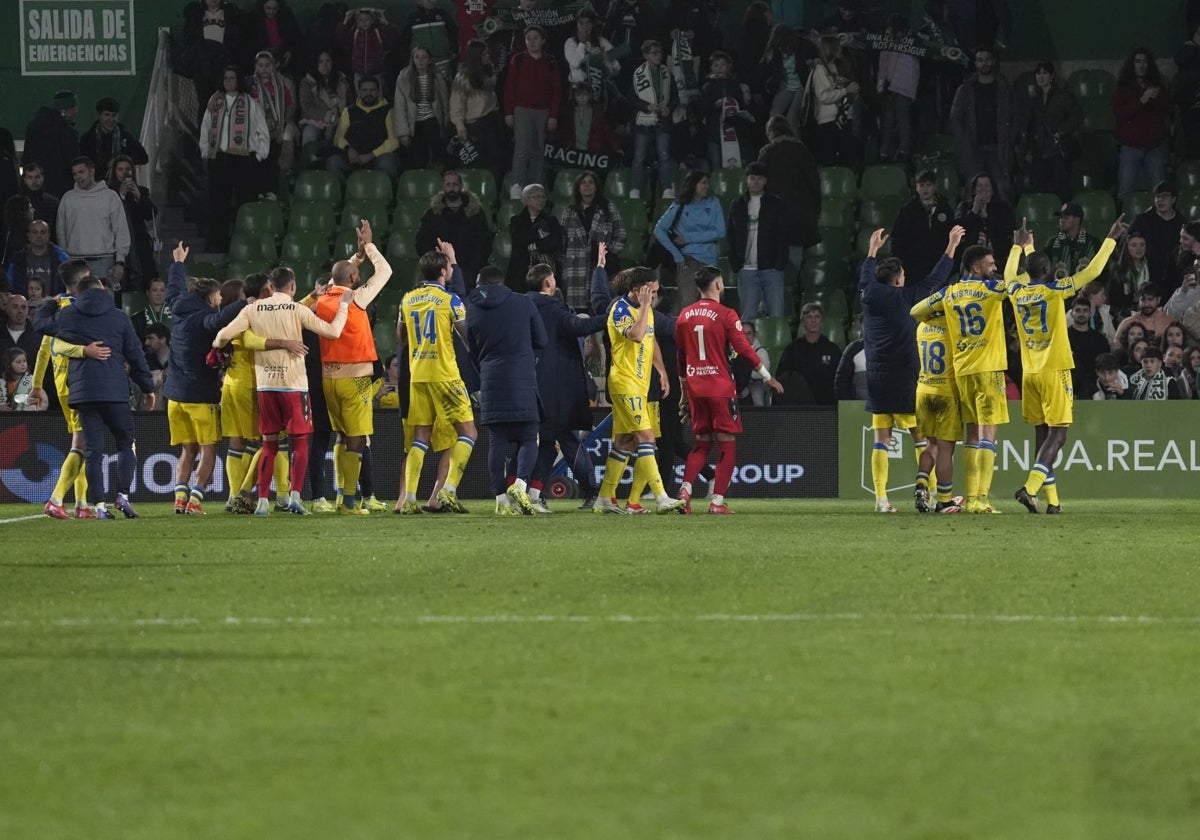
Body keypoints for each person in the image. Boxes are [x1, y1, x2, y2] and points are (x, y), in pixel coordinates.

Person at [213, 265, 352, 516]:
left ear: (270, 287)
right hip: (294, 386)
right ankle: (294, 498)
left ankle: (263, 502)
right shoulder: (296, 309)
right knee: (299, 443)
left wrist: (222, 350)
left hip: (266, 386)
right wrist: (343, 306)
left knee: (269, 445)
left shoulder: (252, 309)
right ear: (292, 286)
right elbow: (333, 331)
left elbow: (221, 336)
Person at [1006, 217, 1122, 515]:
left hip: (1029, 372)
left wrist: (1020, 247)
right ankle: (1030, 488)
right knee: (1059, 434)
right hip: (1055, 370)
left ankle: (1052, 501)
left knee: (1042, 435)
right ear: (1047, 271)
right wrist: (1110, 238)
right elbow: (1094, 271)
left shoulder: (1016, 291)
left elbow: (1010, 273)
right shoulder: (1055, 290)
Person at [860, 225, 964, 513]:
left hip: (876, 378)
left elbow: (865, 274)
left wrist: (872, 250)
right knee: (923, 438)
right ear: (897, 280)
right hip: (905, 377)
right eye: (903, 275)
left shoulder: (868, 293)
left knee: (881, 440)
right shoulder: (905, 298)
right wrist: (951, 246)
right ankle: (931, 493)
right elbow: (935, 280)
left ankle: (881, 500)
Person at [36, 273, 157, 519]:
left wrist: (51, 301)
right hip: (114, 391)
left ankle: (99, 506)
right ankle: (122, 496)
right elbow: (135, 355)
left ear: (78, 293)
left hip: (84, 393)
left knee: (93, 450)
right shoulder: (119, 317)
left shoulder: (69, 315)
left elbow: (40, 324)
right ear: (102, 291)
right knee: (126, 443)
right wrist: (147, 387)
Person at [675, 264, 783, 514]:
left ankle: (685, 490)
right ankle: (717, 502)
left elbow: (681, 355)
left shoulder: (684, 315)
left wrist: (683, 389)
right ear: (718, 285)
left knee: (701, 444)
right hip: (720, 388)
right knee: (727, 445)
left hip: (695, 387)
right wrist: (767, 376)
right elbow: (744, 348)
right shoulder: (726, 314)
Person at [910, 243, 1008, 514]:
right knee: (984, 435)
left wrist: (941, 313)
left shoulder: (948, 295)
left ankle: (927, 484)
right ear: (977, 267)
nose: (994, 267)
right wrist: (1022, 249)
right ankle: (978, 499)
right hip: (986, 369)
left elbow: (916, 311)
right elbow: (1014, 283)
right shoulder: (990, 288)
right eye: (990, 264)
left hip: (954, 375)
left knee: (969, 436)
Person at [307, 220, 393, 514]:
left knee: (342, 436)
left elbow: (336, 278)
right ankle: (347, 501)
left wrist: (354, 258)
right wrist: (368, 246)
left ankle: (341, 497)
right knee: (357, 438)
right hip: (355, 378)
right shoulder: (355, 298)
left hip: (329, 378)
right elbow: (385, 271)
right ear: (355, 278)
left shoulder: (320, 300)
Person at [163, 242, 251, 515]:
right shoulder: (205, 319)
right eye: (217, 296)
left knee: (187, 451)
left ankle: (179, 499)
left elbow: (174, 287)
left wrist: (178, 263)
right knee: (208, 449)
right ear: (209, 298)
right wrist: (246, 303)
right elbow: (221, 319)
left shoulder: (178, 307)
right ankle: (196, 500)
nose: (219, 300)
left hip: (174, 399)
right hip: (201, 398)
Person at [594, 266, 685, 514]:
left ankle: (604, 498)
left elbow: (650, 338)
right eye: (651, 291)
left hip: (641, 383)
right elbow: (635, 335)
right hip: (625, 383)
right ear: (638, 290)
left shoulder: (648, 312)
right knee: (647, 438)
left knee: (625, 442)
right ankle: (660, 496)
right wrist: (644, 307)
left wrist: (662, 371)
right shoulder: (620, 309)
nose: (654, 296)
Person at [527, 252, 612, 511]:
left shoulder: (520, 304)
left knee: (545, 439)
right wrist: (610, 318)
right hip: (557, 386)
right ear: (548, 284)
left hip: (528, 381)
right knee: (561, 438)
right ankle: (537, 491)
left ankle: (527, 490)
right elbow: (577, 326)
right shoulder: (552, 307)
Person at [396, 247, 478, 515]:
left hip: (418, 375)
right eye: (450, 268)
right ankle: (448, 491)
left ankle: (408, 498)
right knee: (468, 432)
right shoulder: (450, 300)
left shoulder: (407, 299)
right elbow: (468, 339)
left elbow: (401, 337)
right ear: (443, 272)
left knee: (420, 437)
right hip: (445, 374)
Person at [466, 265, 547, 515]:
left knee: (497, 441)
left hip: (491, 377)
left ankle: (501, 500)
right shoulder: (523, 303)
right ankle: (520, 484)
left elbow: (472, 348)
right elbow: (542, 339)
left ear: (481, 283)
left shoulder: (473, 308)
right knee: (528, 437)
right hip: (522, 375)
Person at [29, 260, 104, 518]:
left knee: (85, 439)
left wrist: (37, 385)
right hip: (79, 381)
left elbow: (43, 351)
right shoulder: (79, 309)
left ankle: (82, 504)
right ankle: (57, 498)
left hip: (62, 382)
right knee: (82, 442)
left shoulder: (57, 307)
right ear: (82, 278)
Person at [200, 67, 270, 253]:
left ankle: (247, 245)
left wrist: (259, 155)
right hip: (219, 158)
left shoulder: (250, 103)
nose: (229, 81)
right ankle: (217, 244)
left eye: (232, 78)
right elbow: (206, 127)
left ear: (238, 80)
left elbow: (262, 130)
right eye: (225, 78)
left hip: (243, 160)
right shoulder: (215, 103)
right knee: (218, 204)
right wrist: (205, 152)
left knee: (245, 203)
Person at [503, 26, 562, 199]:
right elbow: (509, 87)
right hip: (522, 110)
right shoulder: (518, 60)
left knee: (537, 150)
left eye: (536, 38)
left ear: (543, 40)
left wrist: (553, 115)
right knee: (522, 148)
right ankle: (517, 185)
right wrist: (508, 112)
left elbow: (556, 90)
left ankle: (535, 188)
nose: (532, 42)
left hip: (543, 111)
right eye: (529, 38)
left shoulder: (550, 61)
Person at [652, 170, 726, 308]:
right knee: (688, 305)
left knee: (712, 306)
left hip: (710, 262)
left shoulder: (714, 203)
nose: (707, 186)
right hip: (687, 261)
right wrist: (677, 255)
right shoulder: (680, 205)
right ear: (693, 184)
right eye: (703, 183)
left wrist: (689, 238)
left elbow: (720, 232)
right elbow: (659, 230)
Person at [756, 116, 820, 273]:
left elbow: (758, 186)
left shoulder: (767, 152)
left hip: (775, 219)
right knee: (794, 264)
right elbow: (815, 185)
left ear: (771, 132)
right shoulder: (803, 151)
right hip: (800, 218)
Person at [56, 157, 131, 288]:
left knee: (102, 305)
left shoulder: (110, 197)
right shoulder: (67, 198)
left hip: (104, 261)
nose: (78, 177)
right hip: (75, 261)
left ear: (92, 171)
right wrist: (65, 260)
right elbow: (61, 232)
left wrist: (120, 261)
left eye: (81, 172)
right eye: (74, 174)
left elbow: (120, 230)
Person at [728, 162, 789, 320]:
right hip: (746, 269)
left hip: (771, 269)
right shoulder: (737, 205)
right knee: (747, 317)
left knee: (776, 316)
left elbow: (783, 235)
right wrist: (736, 263)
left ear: (765, 181)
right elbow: (731, 235)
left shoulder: (776, 204)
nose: (755, 182)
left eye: (759, 179)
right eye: (752, 178)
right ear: (747, 180)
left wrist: (778, 264)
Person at [416, 170, 493, 294]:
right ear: (443, 187)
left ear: (461, 187)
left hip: (469, 272)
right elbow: (422, 241)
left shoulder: (475, 213)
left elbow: (484, 243)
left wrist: (472, 268)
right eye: (448, 184)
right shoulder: (433, 213)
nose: (451, 188)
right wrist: (435, 264)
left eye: (455, 184)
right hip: (438, 272)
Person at [949, 45, 1012, 196]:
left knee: (1002, 189)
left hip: (998, 148)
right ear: (976, 63)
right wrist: (965, 145)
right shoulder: (965, 90)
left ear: (994, 61)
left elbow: (1014, 117)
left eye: (988, 60)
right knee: (973, 191)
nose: (984, 63)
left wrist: (1010, 139)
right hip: (973, 148)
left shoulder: (1004, 88)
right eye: (980, 60)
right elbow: (955, 119)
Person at [559, 171, 627, 313]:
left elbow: (621, 234)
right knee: (577, 315)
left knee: (600, 309)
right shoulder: (568, 212)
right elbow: (562, 242)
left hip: (599, 266)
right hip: (575, 269)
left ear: (596, 187)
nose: (587, 186)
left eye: (591, 182)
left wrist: (608, 251)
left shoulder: (609, 208)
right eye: (583, 183)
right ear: (578, 187)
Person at [1022, 62, 1083, 203]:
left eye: (1045, 73)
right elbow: (1031, 127)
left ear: (1052, 76)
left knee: (1061, 189)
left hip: (1057, 149)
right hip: (1040, 150)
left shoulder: (1062, 96)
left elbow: (1077, 115)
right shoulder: (1035, 100)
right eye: (1038, 73)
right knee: (1038, 188)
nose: (1041, 77)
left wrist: (1061, 131)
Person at [1114, 47, 1169, 199]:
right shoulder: (1123, 89)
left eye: (1145, 62)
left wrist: (1156, 98)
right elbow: (1120, 114)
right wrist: (1142, 100)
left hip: (1154, 147)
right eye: (1138, 61)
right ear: (1132, 65)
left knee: (1161, 192)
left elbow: (1165, 111)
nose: (1142, 65)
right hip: (1131, 147)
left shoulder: (1158, 87)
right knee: (1125, 191)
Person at [629, 39, 678, 201]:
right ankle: (635, 189)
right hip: (643, 121)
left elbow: (675, 97)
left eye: (660, 53)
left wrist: (669, 107)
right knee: (639, 156)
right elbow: (630, 99)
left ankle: (667, 188)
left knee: (664, 155)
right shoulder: (638, 74)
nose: (658, 56)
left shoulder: (667, 73)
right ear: (645, 55)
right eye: (654, 53)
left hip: (662, 121)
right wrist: (646, 106)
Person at [449, 39, 504, 181]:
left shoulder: (488, 72)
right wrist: (460, 126)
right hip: (474, 126)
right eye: (484, 54)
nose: (488, 56)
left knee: (496, 161)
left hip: (491, 121)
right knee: (477, 163)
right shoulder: (462, 78)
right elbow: (456, 104)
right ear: (476, 56)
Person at [181, 0, 243, 123]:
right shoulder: (196, 15)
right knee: (205, 103)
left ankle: (224, 136)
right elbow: (189, 39)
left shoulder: (230, 15)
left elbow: (236, 39)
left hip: (223, 64)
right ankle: (204, 138)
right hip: (202, 65)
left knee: (226, 101)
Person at [327, 77, 401, 179]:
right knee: (333, 161)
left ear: (379, 91)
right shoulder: (348, 111)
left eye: (372, 90)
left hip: (378, 157)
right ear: (359, 92)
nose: (368, 93)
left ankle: (387, 191)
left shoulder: (388, 110)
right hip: (354, 157)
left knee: (387, 162)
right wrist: (349, 149)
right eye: (364, 90)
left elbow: (394, 141)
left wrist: (370, 155)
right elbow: (338, 138)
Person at [247, 50, 298, 193]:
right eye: (260, 65)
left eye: (267, 65)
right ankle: (257, 192)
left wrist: (281, 123)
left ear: (274, 66)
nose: (264, 69)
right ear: (255, 66)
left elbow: (289, 106)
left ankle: (272, 192)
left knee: (272, 164)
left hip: (275, 131)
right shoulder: (248, 84)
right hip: (255, 131)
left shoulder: (281, 86)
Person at [892, 170, 955, 286]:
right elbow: (898, 239)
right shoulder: (908, 211)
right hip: (914, 268)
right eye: (921, 185)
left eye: (928, 185)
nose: (925, 189)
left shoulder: (945, 208)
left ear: (935, 187)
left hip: (940, 265)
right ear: (916, 188)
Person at [105, 155, 159, 291]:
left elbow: (151, 214)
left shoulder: (141, 191)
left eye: (127, 169)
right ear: (114, 172)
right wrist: (121, 196)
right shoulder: (108, 193)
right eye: (120, 169)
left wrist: (139, 197)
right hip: (118, 244)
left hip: (139, 243)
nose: (124, 173)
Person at [393, 46, 450, 170]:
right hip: (414, 123)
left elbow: (444, 100)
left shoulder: (436, 77)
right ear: (412, 59)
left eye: (424, 57)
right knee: (419, 158)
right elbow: (399, 106)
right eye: (417, 57)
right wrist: (403, 133)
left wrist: (446, 120)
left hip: (432, 119)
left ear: (429, 60)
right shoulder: (404, 78)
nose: (420, 60)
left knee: (438, 155)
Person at [809, 35, 860, 167]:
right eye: (838, 47)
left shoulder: (836, 67)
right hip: (828, 121)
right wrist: (845, 90)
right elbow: (823, 96)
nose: (841, 49)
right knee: (829, 159)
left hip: (843, 118)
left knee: (847, 157)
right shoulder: (820, 70)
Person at [876, 15, 920, 164]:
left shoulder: (911, 47)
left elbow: (911, 72)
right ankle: (885, 152)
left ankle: (903, 151)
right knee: (887, 121)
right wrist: (881, 86)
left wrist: (902, 87)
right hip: (887, 88)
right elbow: (882, 67)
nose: (889, 35)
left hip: (902, 89)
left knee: (903, 121)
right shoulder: (885, 46)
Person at [22, 90, 80, 200]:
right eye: (74, 108)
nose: (76, 112)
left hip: (36, 191)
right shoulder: (67, 132)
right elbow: (73, 162)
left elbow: (26, 159)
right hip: (63, 191)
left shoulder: (33, 128)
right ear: (67, 110)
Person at [699, 51, 750, 171]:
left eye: (723, 64)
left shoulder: (735, 85)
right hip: (714, 133)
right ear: (711, 68)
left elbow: (742, 106)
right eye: (716, 65)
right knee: (716, 166)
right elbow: (702, 110)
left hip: (733, 133)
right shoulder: (707, 87)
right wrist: (716, 105)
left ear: (728, 66)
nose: (720, 68)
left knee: (734, 165)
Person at [506, 184, 565, 290]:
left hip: (545, 270)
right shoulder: (516, 221)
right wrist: (539, 236)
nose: (541, 200)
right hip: (520, 270)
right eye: (536, 197)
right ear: (527, 200)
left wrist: (535, 243)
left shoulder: (551, 221)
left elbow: (554, 243)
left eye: (543, 197)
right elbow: (521, 240)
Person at [78, 98, 149, 179]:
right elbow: (82, 165)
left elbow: (143, 158)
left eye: (114, 115)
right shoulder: (88, 139)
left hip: (118, 186)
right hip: (95, 186)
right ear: (99, 116)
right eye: (107, 115)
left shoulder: (125, 137)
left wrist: (119, 161)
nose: (111, 120)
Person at [955, 172, 1015, 265]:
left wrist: (987, 218)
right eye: (979, 186)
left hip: (997, 258)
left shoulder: (1003, 207)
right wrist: (974, 211)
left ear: (993, 190)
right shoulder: (964, 207)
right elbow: (960, 231)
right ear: (974, 190)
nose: (983, 189)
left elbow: (1007, 230)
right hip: (971, 258)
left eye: (987, 185)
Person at [335, 7, 398, 91]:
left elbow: (392, 37)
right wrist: (346, 20)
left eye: (367, 19)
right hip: (359, 72)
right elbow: (340, 37)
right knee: (360, 96)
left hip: (376, 71)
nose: (364, 22)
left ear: (372, 20)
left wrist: (385, 22)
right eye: (361, 20)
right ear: (357, 22)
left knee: (377, 97)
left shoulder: (377, 31)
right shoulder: (355, 32)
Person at [298, 50, 351, 149]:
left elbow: (350, 103)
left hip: (340, 119)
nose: (325, 65)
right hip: (315, 120)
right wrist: (329, 116)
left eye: (328, 61)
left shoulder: (342, 79)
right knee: (310, 135)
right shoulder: (307, 82)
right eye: (321, 62)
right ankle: (309, 161)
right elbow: (307, 107)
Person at [6, 220, 68, 298]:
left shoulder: (61, 257)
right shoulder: (17, 259)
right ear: (28, 235)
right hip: (23, 307)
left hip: (54, 306)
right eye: (35, 232)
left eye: (43, 232)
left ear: (48, 235)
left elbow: (70, 286)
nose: (39, 235)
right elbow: (9, 285)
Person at [399, 0, 458, 80]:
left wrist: (453, 51)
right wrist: (408, 61)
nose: (432, 1)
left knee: (445, 88)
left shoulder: (443, 14)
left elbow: (453, 33)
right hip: (421, 64)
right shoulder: (412, 18)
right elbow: (405, 41)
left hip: (443, 61)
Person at [1067, 297, 1111, 402]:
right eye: (1078, 310)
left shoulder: (1100, 340)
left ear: (1090, 313)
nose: (1081, 314)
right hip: (1067, 386)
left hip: (1095, 387)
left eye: (1085, 310)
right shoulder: (1062, 338)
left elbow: (1106, 365)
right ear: (1072, 313)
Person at [1045, 202, 1101, 282]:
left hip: (1085, 291)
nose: (1061, 220)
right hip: (1059, 292)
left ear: (1077, 220)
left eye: (1066, 218)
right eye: (1060, 217)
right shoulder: (1052, 243)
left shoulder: (1093, 243)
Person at [241, 0, 302, 73]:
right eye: (268, 8)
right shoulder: (254, 18)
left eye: (274, 9)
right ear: (263, 6)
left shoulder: (286, 16)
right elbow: (248, 44)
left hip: (282, 59)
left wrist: (290, 51)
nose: (271, 12)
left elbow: (295, 37)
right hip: (261, 60)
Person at [1107, 229, 1151, 317]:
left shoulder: (1150, 267)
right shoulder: (1117, 269)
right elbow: (1113, 298)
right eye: (1134, 245)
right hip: (1122, 315)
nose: (1139, 248)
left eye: (1142, 245)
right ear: (1127, 247)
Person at [1115, 282, 1172, 347]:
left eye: (1150, 299)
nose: (1146, 304)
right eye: (1143, 300)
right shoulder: (1127, 322)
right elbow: (1116, 345)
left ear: (1158, 300)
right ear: (1138, 300)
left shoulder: (1168, 322)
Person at [19, 164, 60, 240]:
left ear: (43, 178)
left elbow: (57, 229)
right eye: (30, 177)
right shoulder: (17, 202)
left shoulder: (53, 202)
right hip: (23, 248)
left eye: (37, 177)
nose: (34, 181)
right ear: (24, 179)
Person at [0, 295, 40, 359]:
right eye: (15, 307)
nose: (20, 311)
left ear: (27, 310)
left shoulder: (38, 336)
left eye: (23, 307)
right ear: (7, 309)